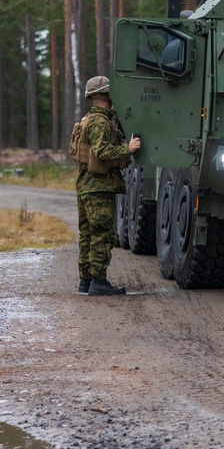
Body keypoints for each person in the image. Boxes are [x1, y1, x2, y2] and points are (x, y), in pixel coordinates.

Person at [75, 76, 141, 296]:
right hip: (99, 187)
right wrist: (128, 149)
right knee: (102, 234)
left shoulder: (88, 119)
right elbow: (102, 152)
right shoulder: (100, 122)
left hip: (87, 185)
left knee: (87, 235)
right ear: (103, 95)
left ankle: (86, 281)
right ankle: (99, 282)